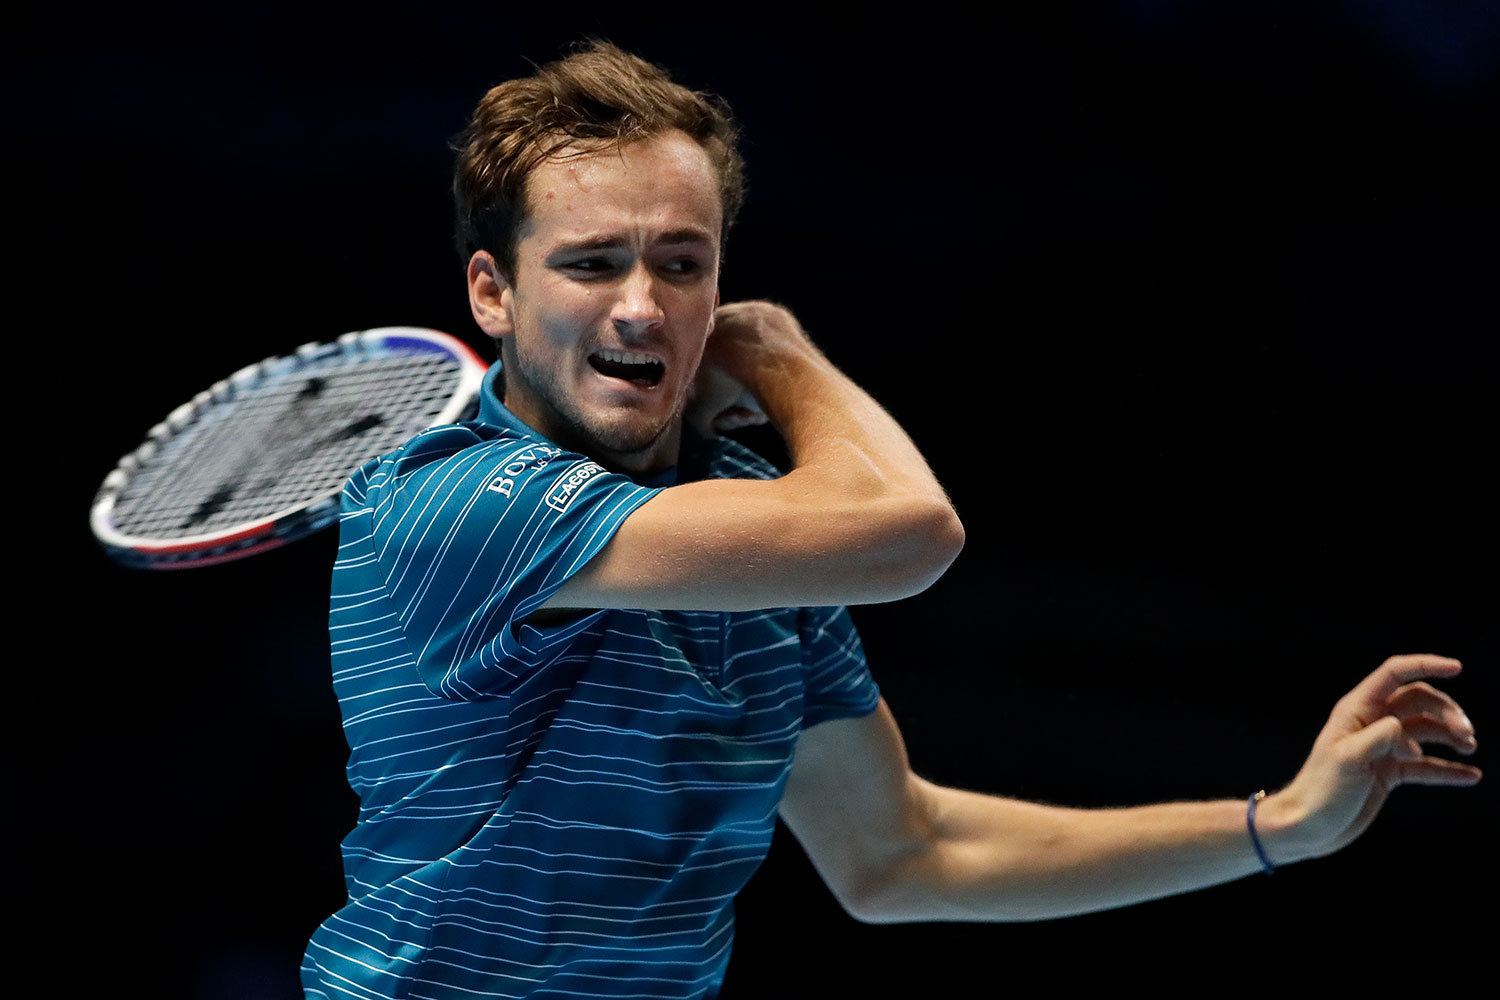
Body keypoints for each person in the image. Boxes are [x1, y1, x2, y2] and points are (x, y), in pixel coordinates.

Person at [300, 42, 1480, 1000]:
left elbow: (903, 853)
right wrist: (777, 351)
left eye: (683, 263)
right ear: (493, 292)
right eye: (593, 262)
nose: (644, 306)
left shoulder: (759, 545)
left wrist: (1282, 824)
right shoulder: (452, 499)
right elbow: (911, 529)